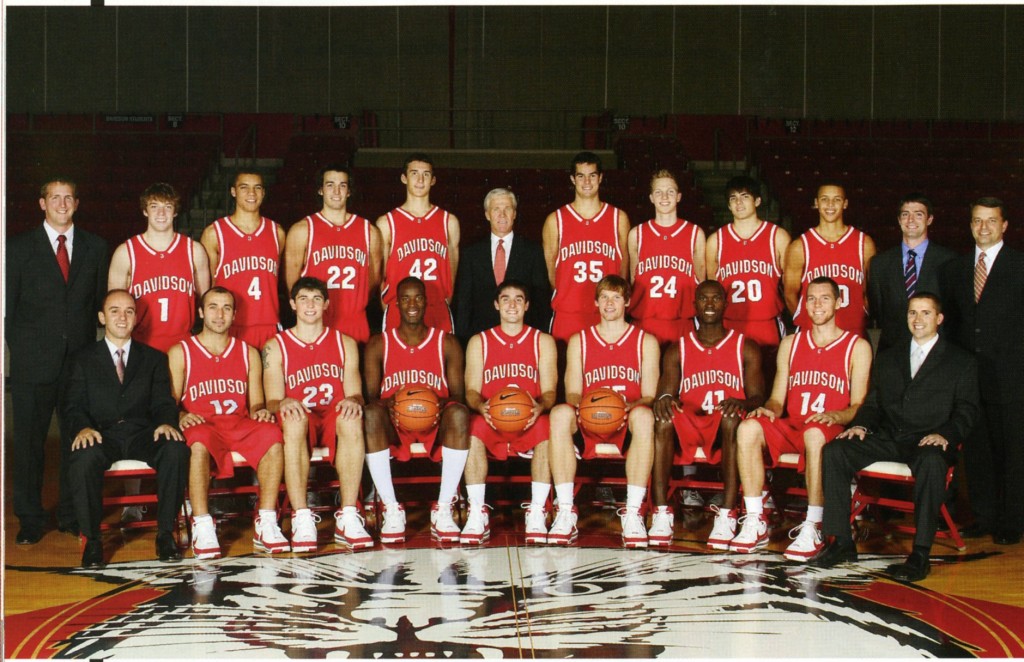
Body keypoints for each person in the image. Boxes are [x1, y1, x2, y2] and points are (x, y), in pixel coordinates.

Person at [812, 293, 979, 581]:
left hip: (929, 441)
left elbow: (967, 410)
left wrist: (945, 434)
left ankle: (920, 553)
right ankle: (841, 542)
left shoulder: (960, 361)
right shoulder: (890, 356)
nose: (918, 320)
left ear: (939, 319)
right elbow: (874, 403)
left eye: (926, 313)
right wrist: (861, 426)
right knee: (835, 451)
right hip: (890, 438)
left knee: (931, 462)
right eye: (913, 313)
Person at [731, 277, 872, 561]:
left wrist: (836, 415)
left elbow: (858, 405)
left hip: (830, 430)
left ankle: (814, 524)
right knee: (747, 427)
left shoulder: (857, 346)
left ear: (839, 302)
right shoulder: (791, 343)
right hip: (794, 425)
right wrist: (767, 409)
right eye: (811, 298)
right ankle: (756, 519)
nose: (817, 305)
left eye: (825, 298)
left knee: (814, 433)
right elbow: (777, 399)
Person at [6, 177, 109, 543]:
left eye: (68, 198)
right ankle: (30, 520)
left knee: (76, 442)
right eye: (55, 197)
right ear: (42, 203)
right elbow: (8, 311)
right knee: (29, 446)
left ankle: (70, 514)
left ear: (77, 204)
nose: (62, 204)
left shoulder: (96, 248)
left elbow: (99, 306)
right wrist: (23, 354)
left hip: (78, 367)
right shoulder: (16, 249)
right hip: (32, 366)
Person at [64, 290, 191, 567]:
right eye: (114, 311)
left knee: (175, 449)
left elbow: (162, 401)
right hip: (102, 433)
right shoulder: (83, 358)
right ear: (101, 317)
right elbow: (73, 404)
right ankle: (93, 541)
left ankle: (165, 534)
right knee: (83, 457)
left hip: (141, 432)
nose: (122, 317)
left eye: (129, 311)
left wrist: (166, 423)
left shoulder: (154, 358)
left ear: (136, 318)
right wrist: (83, 427)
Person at [167, 287, 287, 559]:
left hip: (238, 423)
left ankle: (266, 521)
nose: (219, 314)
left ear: (234, 314)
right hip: (204, 425)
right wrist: (181, 415)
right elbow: (170, 403)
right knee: (196, 443)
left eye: (227, 308)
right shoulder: (181, 351)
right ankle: (202, 523)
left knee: (272, 435)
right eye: (212, 307)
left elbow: (256, 402)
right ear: (200, 312)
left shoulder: (248, 353)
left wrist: (261, 412)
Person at [651, 280, 766, 548]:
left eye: (716, 299)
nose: (710, 304)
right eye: (704, 299)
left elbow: (758, 396)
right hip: (691, 423)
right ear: (695, 305)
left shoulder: (745, 346)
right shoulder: (677, 348)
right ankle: (660, 511)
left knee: (730, 416)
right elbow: (666, 394)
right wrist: (664, 400)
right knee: (663, 419)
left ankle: (727, 513)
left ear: (726, 304)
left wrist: (741, 402)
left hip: (725, 424)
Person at [547, 275, 660, 547]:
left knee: (645, 415)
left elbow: (649, 395)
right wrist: (592, 410)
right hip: (589, 418)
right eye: (605, 297)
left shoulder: (646, 341)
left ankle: (632, 513)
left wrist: (625, 408)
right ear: (596, 302)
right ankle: (565, 509)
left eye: (617, 297)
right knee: (560, 414)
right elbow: (573, 392)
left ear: (628, 302)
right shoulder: (580, 341)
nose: (610, 303)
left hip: (627, 419)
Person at [262, 277, 373, 552]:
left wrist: (353, 401)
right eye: (303, 299)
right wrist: (284, 402)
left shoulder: (344, 342)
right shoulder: (275, 345)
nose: (310, 305)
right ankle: (301, 516)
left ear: (326, 304)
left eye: (316, 299)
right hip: (302, 415)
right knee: (293, 418)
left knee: (351, 417)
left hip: (333, 413)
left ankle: (348, 516)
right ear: (292, 304)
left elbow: (356, 393)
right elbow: (273, 401)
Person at [940, 197, 1024, 545]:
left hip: (1011, 377)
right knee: (977, 452)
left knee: (1013, 451)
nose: (984, 227)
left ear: (1004, 225)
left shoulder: (1020, 266)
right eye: (977, 221)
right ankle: (984, 516)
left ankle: (1012, 520)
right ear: (970, 224)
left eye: (991, 221)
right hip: (970, 380)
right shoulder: (955, 270)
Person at [362, 277, 470, 543]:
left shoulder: (447, 343)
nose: (412, 304)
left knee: (459, 413)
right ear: (396, 303)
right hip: (394, 423)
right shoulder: (379, 344)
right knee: (371, 414)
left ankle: (443, 508)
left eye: (418, 298)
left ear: (426, 301)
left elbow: (458, 395)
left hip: (435, 422)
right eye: (406, 298)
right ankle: (391, 508)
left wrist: (432, 404)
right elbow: (371, 397)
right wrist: (396, 404)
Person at [463, 280, 558, 544]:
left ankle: (537, 510)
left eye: (518, 299)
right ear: (496, 304)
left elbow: (550, 391)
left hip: (529, 419)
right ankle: (476, 510)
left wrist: (540, 407)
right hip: (492, 418)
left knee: (548, 426)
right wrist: (480, 406)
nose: (512, 305)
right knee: (472, 427)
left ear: (527, 306)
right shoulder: (479, 341)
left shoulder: (543, 341)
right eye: (505, 299)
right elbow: (471, 389)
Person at [283, 165, 383, 344]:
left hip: (355, 322)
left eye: (342, 185)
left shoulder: (369, 231)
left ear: (349, 191)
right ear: (321, 190)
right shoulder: (303, 229)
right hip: (317, 322)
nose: (336, 191)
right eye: (330, 185)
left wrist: (355, 302)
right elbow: (293, 284)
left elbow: (373, 279)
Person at [108, 182, 211, 352]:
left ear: (176, 211)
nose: (161, 213)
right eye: (154, 206)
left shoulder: (194, 250)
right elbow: (113, 308)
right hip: (140, 345)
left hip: (183, 345)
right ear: (144, 210)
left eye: (168, 206)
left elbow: (206, 304)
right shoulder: (126, 252)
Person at [542, 151, 630, 341]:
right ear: (573, 179)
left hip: (607, 315)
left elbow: (624, 267)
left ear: (601, 178)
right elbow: (550, 270)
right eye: (581, 176)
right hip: (568, 315)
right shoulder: (555, 220)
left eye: (592, 175)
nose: (587, 182)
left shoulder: (618, 218)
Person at [201, 170, 286, 350]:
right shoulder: (214, 233)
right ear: (233, 191)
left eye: (257, 188)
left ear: (263, 193)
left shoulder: (276, 232)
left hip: (268, 324)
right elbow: (210, 286)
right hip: (230, 327)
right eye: (244, 187)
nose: (251, 194)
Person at [453, 188, 551, 344]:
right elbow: (464, 303)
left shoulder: (532, 251)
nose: (502, 215)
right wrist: (463, 342)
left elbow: (541, 302)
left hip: (522, 337)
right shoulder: (471, 253)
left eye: (507, 209)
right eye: (496, 209)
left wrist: (540, 339)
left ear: (514, 214)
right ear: (487, 214)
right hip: (481, 337)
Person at [706, 176, 791, 353]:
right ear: (728, 205)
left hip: (767, 323)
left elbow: (790, 286)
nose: (739, 202)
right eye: (733, 198)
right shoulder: (716, 241)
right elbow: (712, 287)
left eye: (745, 196)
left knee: (771, 375)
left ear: (757, 201)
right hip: (729, 323)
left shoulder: (778, 237)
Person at [377, 154, 460, 333]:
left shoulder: (448, 221)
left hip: (436, 307)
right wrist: (387, 305)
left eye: (426, 174)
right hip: (400, 309)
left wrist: (445, 300)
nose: (420, 180)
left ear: (433, 180)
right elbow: (380, 274)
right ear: (404, 178)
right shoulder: (387, 222)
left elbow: (452, 270)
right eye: (414, 173)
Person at [783, 183, 876, 338]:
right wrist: (809, 322)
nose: (830, 205)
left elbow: (870, 292)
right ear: (816, 203)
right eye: (825, 199)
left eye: (837, 199)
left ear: (845, 204)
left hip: (853, 331)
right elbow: (790, 294)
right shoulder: (800, 246)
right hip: (813, 333)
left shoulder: (864, 243)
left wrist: (859, 317)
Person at [867, 193, 957, 352]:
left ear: (929, 220)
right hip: (892, 351)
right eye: (905, 214)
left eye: (918, 214)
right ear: (899, 220)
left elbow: (952, 311)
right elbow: (878, 311)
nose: (911, 220)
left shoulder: (949, 261)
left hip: (937, 352)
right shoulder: (879, 264)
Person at [627, 169, 706, 346]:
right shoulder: (636, 234)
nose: (664, 197)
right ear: (651, 198)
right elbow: (633, 280)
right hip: (643, 324)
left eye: (670, 191)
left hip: (683, 325)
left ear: (678, 196)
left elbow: (701, 281)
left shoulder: (695, 233)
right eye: (658, 192)